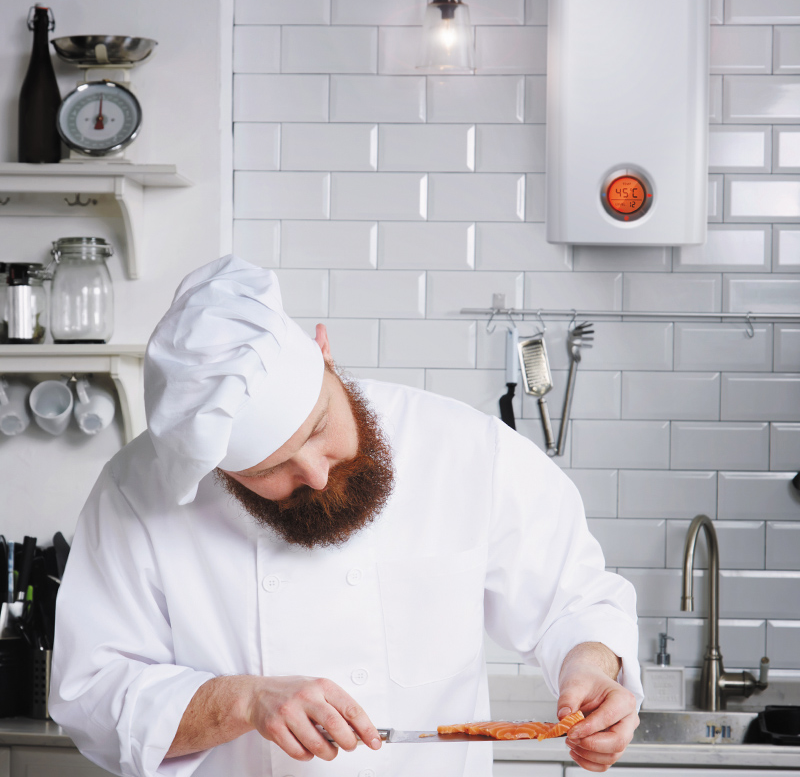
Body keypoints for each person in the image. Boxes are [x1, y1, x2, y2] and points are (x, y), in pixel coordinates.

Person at [50, 256, 642, 777]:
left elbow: (573, 603)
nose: (314, 474)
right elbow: (93, 697)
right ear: (215, 470)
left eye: (317, 429)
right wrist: (242, 702)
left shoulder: (466, 449)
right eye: (268, 469)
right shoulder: (137, 492)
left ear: (324, 351)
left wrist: (592, 670)